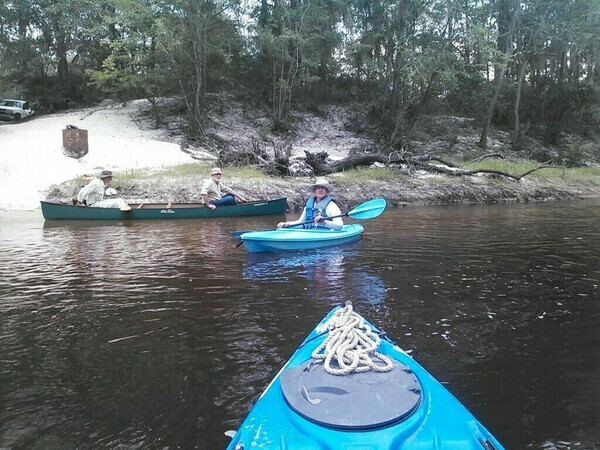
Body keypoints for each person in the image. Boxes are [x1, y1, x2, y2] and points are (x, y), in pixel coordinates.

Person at [277, 178, 343, 230]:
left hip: (325, 234)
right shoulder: (309, 204)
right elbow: (300, 222)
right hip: (310, 232)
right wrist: (287, 224)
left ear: (327, 191)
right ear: (314, 191)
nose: (320, 190)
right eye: (318, 188)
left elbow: (339, 225)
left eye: (323, 188)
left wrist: (324, 222)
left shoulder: (332, 206)